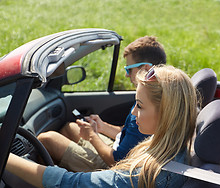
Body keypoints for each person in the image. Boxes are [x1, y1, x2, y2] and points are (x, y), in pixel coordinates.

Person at [6, 65, 198, 188]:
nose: (133, 113)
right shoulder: (173, 148)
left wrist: (6, 159)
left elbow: (69, 185)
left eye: (139, 106)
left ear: (166, 114)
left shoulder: (150, 173)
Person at [38, 36, 166, 172]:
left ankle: (45, 185)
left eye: (129, 69)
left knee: (46, 139)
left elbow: (116, 160)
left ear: (146, 68)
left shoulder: (148, 104)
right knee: (70, 127)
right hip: (119, 149)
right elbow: (128, 132)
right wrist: (102, 127)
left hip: (115, 167)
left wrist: (93, 136)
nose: (126, 75)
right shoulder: (148, 98)